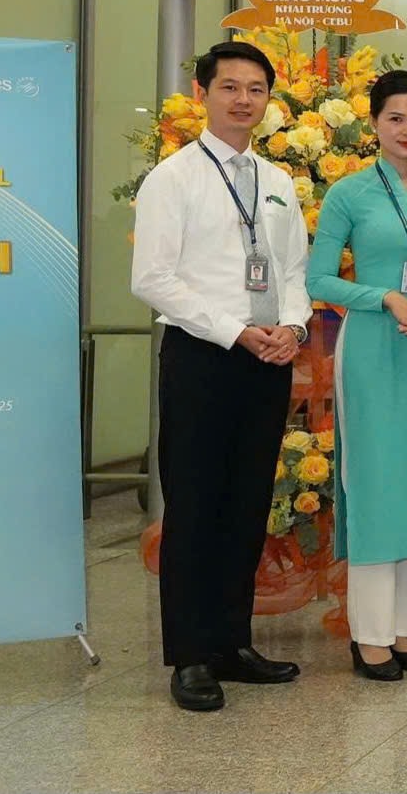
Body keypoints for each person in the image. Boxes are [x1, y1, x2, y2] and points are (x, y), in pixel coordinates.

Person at [133, 41, 311, 712]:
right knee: (196, 507)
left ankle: (232, 641)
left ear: (269, 98)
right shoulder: (173, 178)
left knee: (244, 505)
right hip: (203, 357)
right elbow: (151, 278)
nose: (243, 98)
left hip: (267, 360)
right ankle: (190, 655)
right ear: (203, 92)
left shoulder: (278, 181)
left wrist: (291, 327)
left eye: (256, 87)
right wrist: (234, 329)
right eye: (230, 86)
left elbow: (292, 270)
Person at [306, 70, 407, 682]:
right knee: (373, 482)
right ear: (373, 123)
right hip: (373, 345)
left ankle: (405, 629)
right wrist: (386, 298)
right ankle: (369, 633)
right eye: (396, 118)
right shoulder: (348, 194)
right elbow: (317, 280)